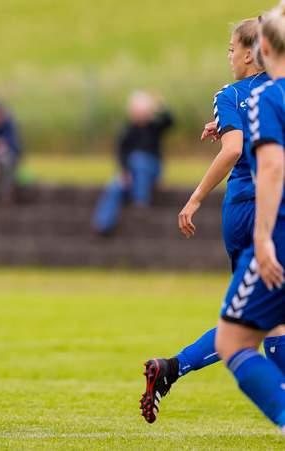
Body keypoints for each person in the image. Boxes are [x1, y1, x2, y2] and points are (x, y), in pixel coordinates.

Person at [140, 17, 285, 424]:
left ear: (251, 53)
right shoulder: (275, 91)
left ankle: (171, 368)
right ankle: (172, 368)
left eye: (231, 48)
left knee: (260, 319)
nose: (228, 56)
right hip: (265, 210)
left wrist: (196, 197)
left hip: (247, 208)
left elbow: (234, 148)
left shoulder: (232, 95)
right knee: (263, 320)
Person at [215, 3, 285, 430]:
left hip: (279, 228)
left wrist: (262, 237)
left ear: (261, 49)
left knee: (234, 339)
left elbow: (272, 167)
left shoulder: (264, 97)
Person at [92, 92, 174, 235]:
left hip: (151, 171)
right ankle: (103, 224)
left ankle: (140, 202)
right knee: (115, 186)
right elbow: (121, 153)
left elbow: (170, 121)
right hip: (132, 173)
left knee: (139, 160)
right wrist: (125, 172)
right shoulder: (127, 131)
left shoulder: (155, 127)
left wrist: (161, 107)